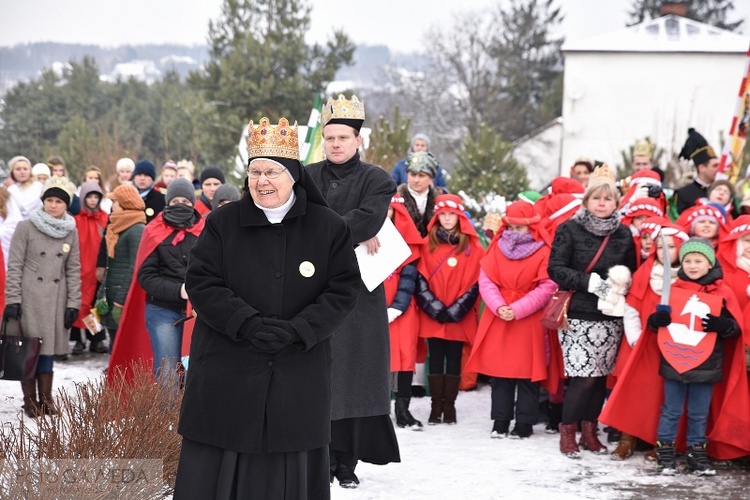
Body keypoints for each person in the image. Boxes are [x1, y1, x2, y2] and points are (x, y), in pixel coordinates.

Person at [174, 117, 360, 499]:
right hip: (227, 366)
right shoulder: (222, 223)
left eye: (272, 171)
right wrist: (246, 323)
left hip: (297, 367)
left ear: (293, 175)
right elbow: (202, 282)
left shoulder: (328, 227)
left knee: (287, 457)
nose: (262, 181)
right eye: (255, 171)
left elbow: (343, 290)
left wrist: (299, 330)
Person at [306, 94, 400, 488]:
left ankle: (347, 462)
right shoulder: (305, 175)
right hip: (311, 291)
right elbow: (298, 218)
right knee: (318, 378)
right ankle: (319, 458)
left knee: (356, 380)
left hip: (360, 296)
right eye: (329, 138)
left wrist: (329, 231)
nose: (336, 144)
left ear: (358, 140)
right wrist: (351, 234)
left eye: (343, 137)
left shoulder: (377, 179)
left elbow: (368, 219)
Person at [547, 164, 637, 459]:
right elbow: (556, 269)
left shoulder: (624, 234)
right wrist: (592, 283)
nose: (602, 203)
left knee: (600, 376)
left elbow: (632, 269)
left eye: (608, 199)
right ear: (586, 201)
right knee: (582, 376)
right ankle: (568, 430)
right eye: (597, 198)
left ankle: (590, 430)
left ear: (616, 203)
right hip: (579, 314)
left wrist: (620, 286)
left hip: (611, 315)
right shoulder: (569, 229)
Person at [646, 238, 742, 475]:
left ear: (709, 264)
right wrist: (656, 322)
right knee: (671, 410)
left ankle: (696, 454)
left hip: (707, 364)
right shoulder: (674, 290)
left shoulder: (722, 292)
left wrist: (723, 325)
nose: (692, 265)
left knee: (699, 413)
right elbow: (656, 323)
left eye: (698, 260)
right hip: (674, 362)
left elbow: (736, 328)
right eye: (687, 260)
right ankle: (665, 452)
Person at [466, 201, 557, 439]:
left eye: (521, 228)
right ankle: (500, 420)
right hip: (500, 315)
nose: (516, 233)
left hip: (528, 317)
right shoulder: (496, 247)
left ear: (531, 227)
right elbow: (485, 280)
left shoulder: (543, 250)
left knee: (528, 372)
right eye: (512, 227)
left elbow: (547, 286)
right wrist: (498, 306)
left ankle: (525, 422)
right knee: (500, 372)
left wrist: (517, 308)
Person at [607, 220, 687, 460]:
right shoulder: (644, 274)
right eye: (661, 247)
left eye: (671, 247)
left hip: (673, 347)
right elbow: (631, 308)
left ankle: (659, 441)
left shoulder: (687, 277)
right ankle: (627, 439)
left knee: (663, 395)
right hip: (641, 344)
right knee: (635, 391)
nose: (665, 252)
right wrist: (636, 338)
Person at [5, 177, 80, 418]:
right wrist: (13, 300)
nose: (53, 205)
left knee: (47, 351)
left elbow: (73, 270)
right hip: (29, 299)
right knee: (29, 350)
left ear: (66, 204)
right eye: (49, 200)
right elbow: (14, 266)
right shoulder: (25, 227)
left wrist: (73, 304)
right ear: (43, 201)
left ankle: (46, 400)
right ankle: (29, 401)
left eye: (59, 201)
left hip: (56, 300)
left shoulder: (71, 231)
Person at [415, 193, 482, 425]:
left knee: (454, 357)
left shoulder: (473, 247)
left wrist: (456, 310)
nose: (446, 218)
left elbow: (476, 283)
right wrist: (433, 307)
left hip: (458, 315)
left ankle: (450, 406)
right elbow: (420, 278)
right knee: (435, 357)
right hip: (433, 312)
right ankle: (436, 406)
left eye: (451, 214)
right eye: (442, 214)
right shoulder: (426, 245)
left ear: (459, 216)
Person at [134, 178, 205, 387]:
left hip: (199, 311)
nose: (181, 204)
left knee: (196, 369)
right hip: (163, 310)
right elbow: (146, 276)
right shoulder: (153, 230)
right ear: (168, 203)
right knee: (168, 372)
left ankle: (193, 419)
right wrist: (179, 290)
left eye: (186, 200)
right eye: (175, 201)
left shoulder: (206, 229)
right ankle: (166, 419)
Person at [385, 195, 425, 430]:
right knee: (376, 360)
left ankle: (402, 409)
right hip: (374, 309)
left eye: (389, 209)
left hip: (403, 310)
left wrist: (397, 307)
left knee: (403, 360)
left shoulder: (406, 242)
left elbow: (409, 277)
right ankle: (377, 411)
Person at [101, 185, 146, 352]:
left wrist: (120, 299)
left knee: (123, 345)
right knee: (115, 342)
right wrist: (103, 292)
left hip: (121, 297)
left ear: (124, 204)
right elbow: (111, 263)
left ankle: (120, 375)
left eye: (115, 202)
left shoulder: (136, 229)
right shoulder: (118, 226)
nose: (112, 205)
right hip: (113, 293)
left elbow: (134, 267)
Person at [71, 182, 109, 354]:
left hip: (98, 269)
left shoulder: (105, 218)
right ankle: (79, 339)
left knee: (94, 305)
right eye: (90, 197)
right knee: (79, 304)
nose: (93, 200)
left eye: (96, 197)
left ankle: (95, 338)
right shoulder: (76, 220)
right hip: (79, 268)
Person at [674, 128, 720, 214]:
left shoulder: (723, 192)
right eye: (715, 166)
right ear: (701, 168)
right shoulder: (684, 193)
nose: (719, 169)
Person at [397, 151, 440, 237]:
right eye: (413, 175)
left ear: (431, 178)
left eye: (421, 175)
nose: (416, 180)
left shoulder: (440, 202)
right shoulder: (394, 199)